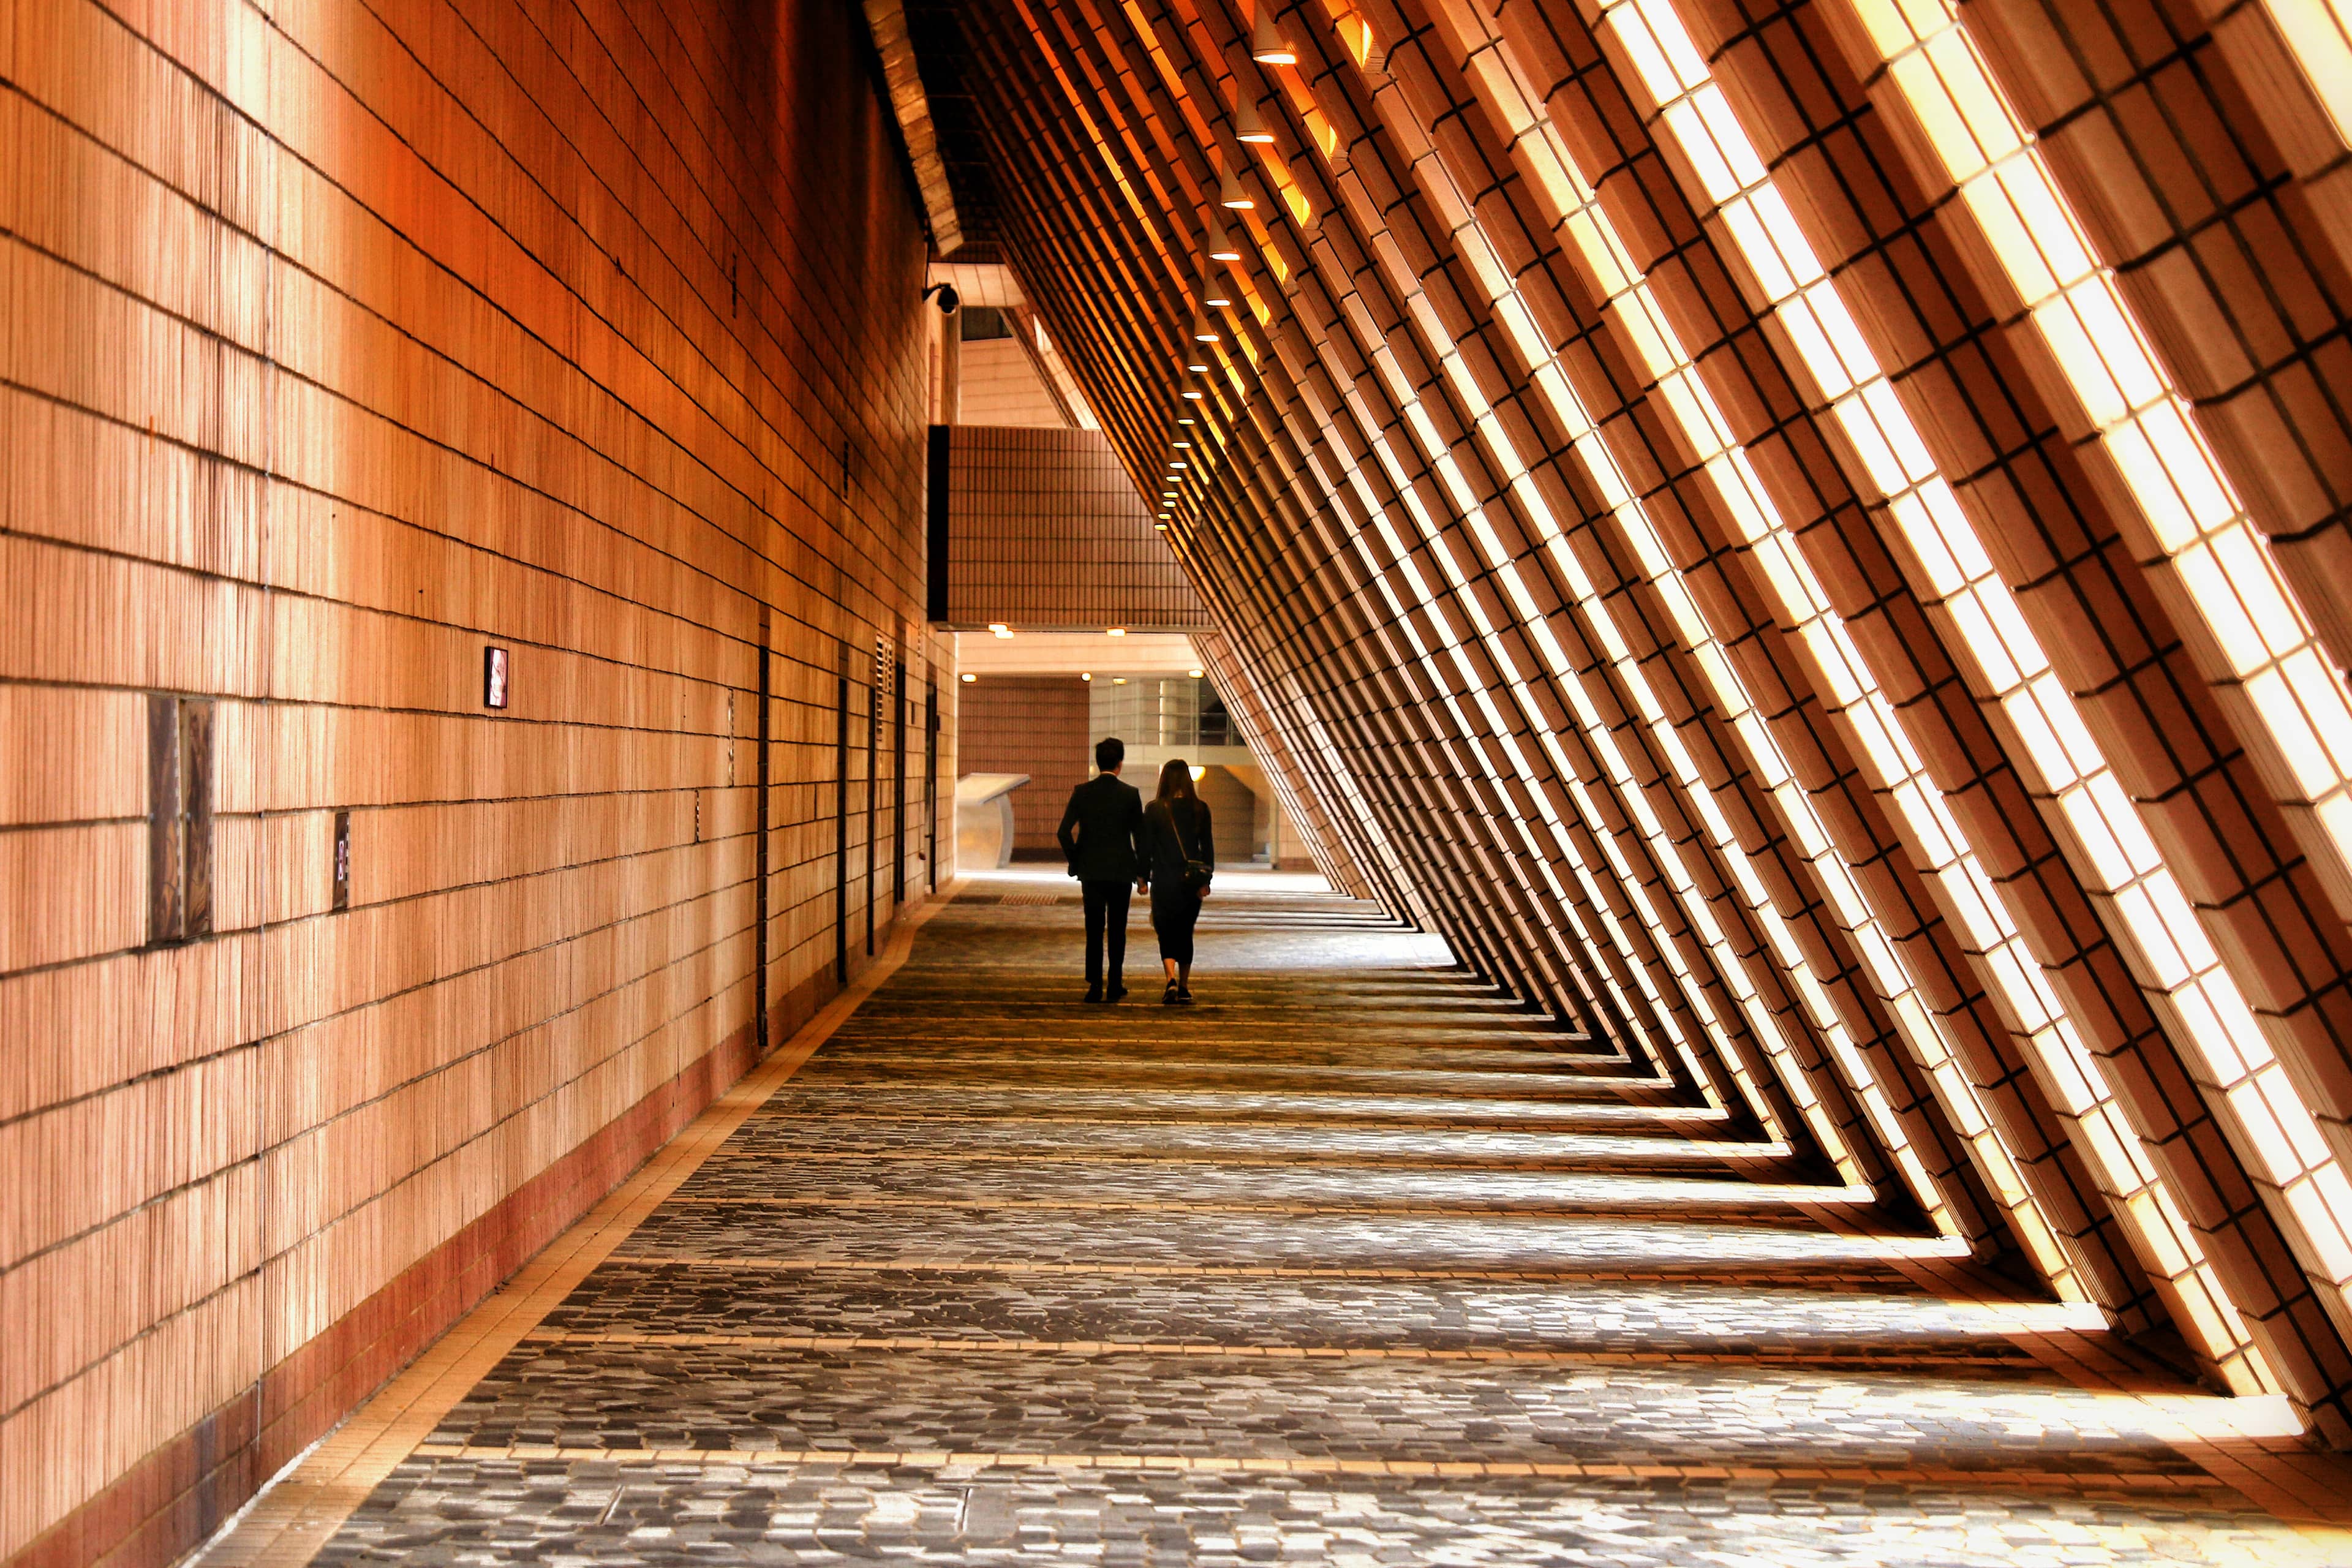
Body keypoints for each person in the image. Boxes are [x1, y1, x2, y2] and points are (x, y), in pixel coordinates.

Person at [1057, 737, 1145, 1003]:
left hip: (1091, 873)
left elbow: (1063, 832)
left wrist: (1076, 861)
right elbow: (1140, 838)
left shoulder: (1082, 792)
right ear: (1120, 764)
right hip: (1121, 873)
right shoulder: (1130, 795)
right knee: (1118, 930)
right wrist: (1142, 874)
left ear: (1098, 764)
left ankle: (1095, 985)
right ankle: (1115, 985)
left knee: (1094, 929)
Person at [1138, 758, 1213, 1005]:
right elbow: (1208, 849)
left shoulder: (1154, 809)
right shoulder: (1201, 809)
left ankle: (1169, 978)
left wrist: (1142, 878)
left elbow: (1146, 848)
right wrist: (1206, 880)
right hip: (1191, 882)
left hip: (1164, 880)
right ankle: (1184, 984)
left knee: (1166, 931)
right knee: (1185, 931)